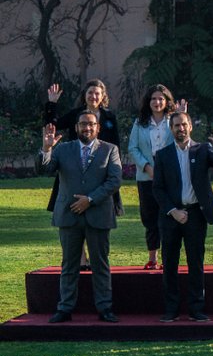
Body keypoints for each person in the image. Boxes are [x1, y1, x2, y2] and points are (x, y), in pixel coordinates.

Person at [37, 111, 122, 323]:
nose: (87, 128)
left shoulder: (110, 150)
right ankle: (65, 308)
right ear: (76, 127)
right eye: (83, 124)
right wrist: (47, 148)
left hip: (98, 214)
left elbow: (114, 181)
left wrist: (90, 200)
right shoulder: (62, 149)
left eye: (91, 124)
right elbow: (45, 170)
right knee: (69, 265)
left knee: (100, 264)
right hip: (69, 215)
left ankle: (105, 308)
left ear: (98, 128)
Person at [152, 109, 213, 322]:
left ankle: (196, 309)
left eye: (184, 124)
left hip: (196, 214)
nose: (181, 128)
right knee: (170, 263)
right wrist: (173, 211)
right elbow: (157, 188)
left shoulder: (202, 149)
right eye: (177, 125)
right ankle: (171, 309)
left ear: (190, 126)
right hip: (171, 216)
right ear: (171, 129)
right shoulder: (162, 155)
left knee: (196, 262)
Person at [43, 80, 123, 268]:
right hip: (75, 172)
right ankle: (81, 258)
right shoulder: (75, 115)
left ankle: (95, 259)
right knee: (74, 216)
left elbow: (116, 143)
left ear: (103, 96)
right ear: (84, 96)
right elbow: (51, 125)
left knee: (97, 216)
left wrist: (114, 166)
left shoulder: (109, 117)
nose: (93, 96)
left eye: (97, 93)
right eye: (90, 93)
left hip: (101, 173)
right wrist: (52, 104)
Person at [127, 84, 177, 270]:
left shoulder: (173, 120)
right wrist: (147, 167)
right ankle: (152, 258)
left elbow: (182, 143)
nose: (157, 102)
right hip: (146, 176)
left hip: (169, 176)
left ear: (167, 101)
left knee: (168, 217)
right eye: (154, 99)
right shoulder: (140, 122)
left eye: (161, 99)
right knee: (150, 218)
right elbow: (133, 148)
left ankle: (167, 258)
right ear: (148, 102)